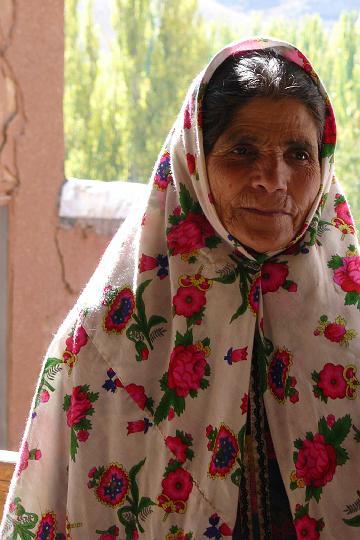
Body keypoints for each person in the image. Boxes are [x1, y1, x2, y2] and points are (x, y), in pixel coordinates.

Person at [1, 37, 359, 539]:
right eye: (242, 151)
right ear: (194, 160)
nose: (274, 179)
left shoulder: (352, 331)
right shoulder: (108, 342)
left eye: (299, 154)